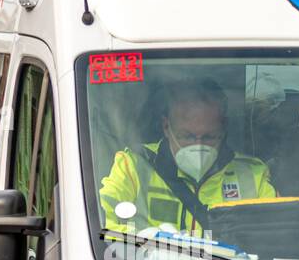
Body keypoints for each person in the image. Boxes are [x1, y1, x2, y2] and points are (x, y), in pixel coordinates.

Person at [99, 79, 276, 235]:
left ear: (223, 130)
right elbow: (102, 224)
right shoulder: (134, 166)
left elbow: (275, 234)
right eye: (187, 136)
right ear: (166, 127)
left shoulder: (253, 175)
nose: (197, 147)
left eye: (209, 137)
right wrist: (148, 240)